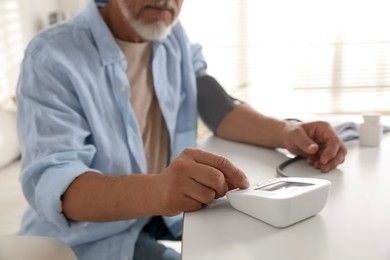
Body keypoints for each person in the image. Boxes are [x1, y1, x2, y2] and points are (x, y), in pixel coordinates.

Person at [16, 0, 347, 259]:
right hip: (89, 238)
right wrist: (159, 190)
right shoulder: (52, 56)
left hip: (156, 213)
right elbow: (57, 184)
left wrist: (288, 133)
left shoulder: (170, 35)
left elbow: (218, 108)